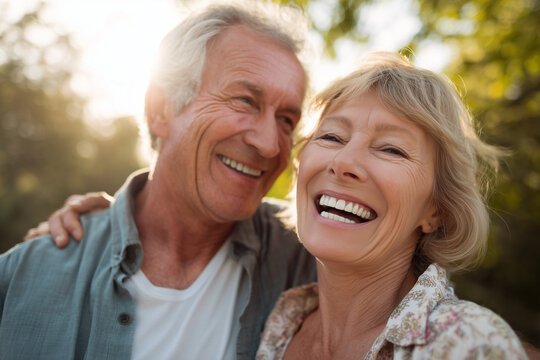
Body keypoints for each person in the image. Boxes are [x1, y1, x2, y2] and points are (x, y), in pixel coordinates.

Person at [0, 3, 317, 359]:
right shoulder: (21, 278)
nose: (269, 143)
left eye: (287, 120)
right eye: (245, 100)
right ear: (160, 111)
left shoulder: (311, 259)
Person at [252, 52, 527, 359]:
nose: (343, 162)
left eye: (392, 149)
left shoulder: (470, 344)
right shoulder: (283, 323)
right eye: (331, 136)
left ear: (437, 211)